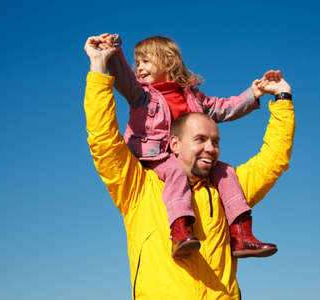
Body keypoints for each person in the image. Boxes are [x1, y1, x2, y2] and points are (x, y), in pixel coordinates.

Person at [84, 36, 295, 299]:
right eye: (200, 140)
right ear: (174, 143)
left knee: (227, 170)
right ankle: (180, 231)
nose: (210, 148)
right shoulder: (138, 188)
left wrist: (282, 97)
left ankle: (242, 234)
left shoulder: (228, 188)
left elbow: (275, 158)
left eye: (215, 141)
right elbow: (102, 138)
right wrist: (100, 65)